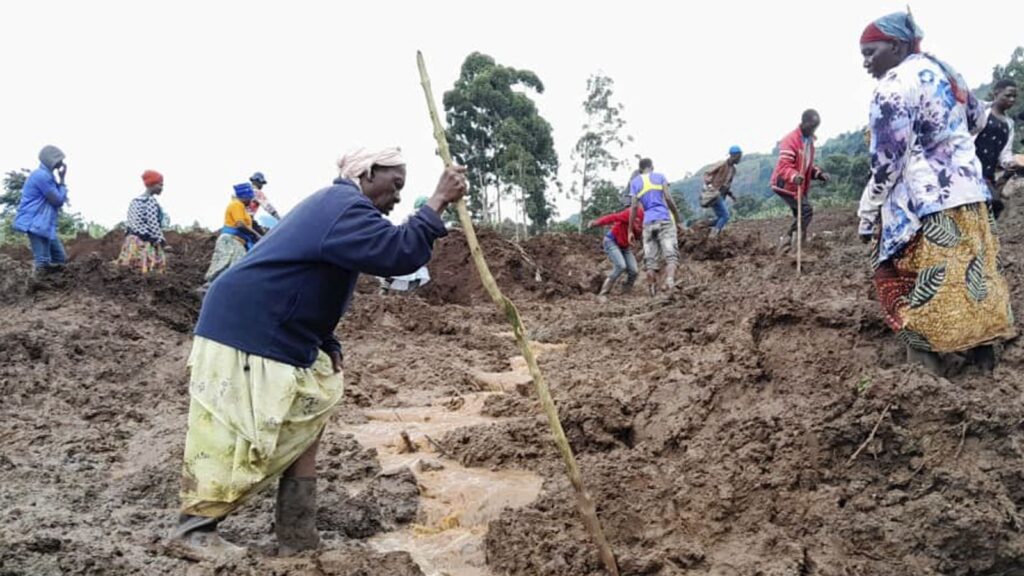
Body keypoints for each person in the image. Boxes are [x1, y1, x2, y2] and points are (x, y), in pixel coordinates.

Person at [168, 146, 467, 559]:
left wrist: (326, 339)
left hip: (275, 329)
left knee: (308, 415)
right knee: (235, 432)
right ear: (367, 174)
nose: (398, 196)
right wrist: (437, 202)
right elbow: (399, 256)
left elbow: (309, 278)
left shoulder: (341, 210)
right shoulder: (343, 206)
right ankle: (194, 532)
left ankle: (297, 535)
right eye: (395, 184)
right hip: (247, 329)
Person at [858, 11, 1016, 373]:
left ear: (896, 46)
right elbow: (979, 119)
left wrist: (868, 209)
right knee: (972, 277)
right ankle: (983, 362)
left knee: (914, 282)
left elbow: (887, 161)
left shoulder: (892, 87)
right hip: (970, 194)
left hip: (925, 203)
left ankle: (925, 373)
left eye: (871, 52)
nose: (866, 62)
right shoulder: (946, 72)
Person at [770, 110, 830, 252]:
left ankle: (793, 246)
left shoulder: (809, 141)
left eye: (816, 127)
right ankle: (789, 242)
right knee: (806, 210)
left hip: (797, 184)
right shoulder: (791, 140)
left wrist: (818, 174)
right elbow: (784, 167)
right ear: (804, 123)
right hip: (785, 185)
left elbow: (806, 165)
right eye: (812, 126)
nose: (813, 129)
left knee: (800, 215)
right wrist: (794, 176)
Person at [627, 158, 684, 296]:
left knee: (650, 261)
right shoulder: (660, 177)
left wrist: (630, 230)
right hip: (664, 220)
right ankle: (670, 282)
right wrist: (677, 219)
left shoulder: (634, 183)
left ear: (640, 170)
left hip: (648, 223)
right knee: (671, 256)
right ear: (652, 167)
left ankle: (652, 291)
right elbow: (669, 199)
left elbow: (633, 207)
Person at [13, 145, 69, 273]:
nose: (62, 163)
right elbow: (58, 200)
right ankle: (36, 289)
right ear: (51, 160)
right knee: (42, 262)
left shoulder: (47, 176)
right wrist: (62, 180)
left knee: (59, 258)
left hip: (45, 224)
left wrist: (60, 180)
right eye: (59, 160)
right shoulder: (41, 176)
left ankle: (55, 288)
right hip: (36, 223)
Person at [974, 79, 1021, 218]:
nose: (1011, 99)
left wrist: (1011, 163)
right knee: (992, 204)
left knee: (991, 211)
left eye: (1014, 96)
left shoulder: (1009, 124)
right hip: (970, 172)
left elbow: (1005, 154)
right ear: (996, 93)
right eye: (1008, 95)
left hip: (988, 175)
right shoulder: (980, 111)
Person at [203, 182, 262, 284]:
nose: (251, 200)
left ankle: (221, 290)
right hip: (230, 241)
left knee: (235, 269)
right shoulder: (236, 204)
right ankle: (207, 289)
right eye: (250, 197)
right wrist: (256, 235)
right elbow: (240, 224)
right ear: (245, 196)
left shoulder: (241, 207)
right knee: (224, 267)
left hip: (238, 242)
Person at [378, 196, 433, 295]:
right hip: (411, 248)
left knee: (407, 272)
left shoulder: (412, 217)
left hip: (408, 248)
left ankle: (389, 289)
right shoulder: (418, 217)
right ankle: (406, 294)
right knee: (413, 273)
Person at [588, 201, 643, 298]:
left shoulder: (650, 218)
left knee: (634, 270)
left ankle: (626, 291)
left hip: (625, 246)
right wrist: (596, 223)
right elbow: (613, 217)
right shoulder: (632, 213)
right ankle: (603, 294)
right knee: (621, 265)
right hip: (612, 241)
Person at [116, 170, 167, 274]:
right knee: (149, 269)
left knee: (130, 269)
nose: (162, 188)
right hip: (145, 242)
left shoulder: (135, 201)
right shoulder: (150, 201)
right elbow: (153, 223)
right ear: (151, 184)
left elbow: (130, 221)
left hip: (132, 241)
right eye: (160, 185)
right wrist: (160, 239)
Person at [701, 146, 743, 237]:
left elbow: (726, 185)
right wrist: (709, 185)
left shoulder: (733, 170)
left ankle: (702, 225)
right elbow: (707, 173)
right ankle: (713, 235)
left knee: (721, 218)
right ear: (734, 155)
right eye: (739, 156)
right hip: (714, 194)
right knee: (725, 216)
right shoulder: (722, 164)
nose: (740, 158)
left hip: (721, 195)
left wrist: (731, 195)